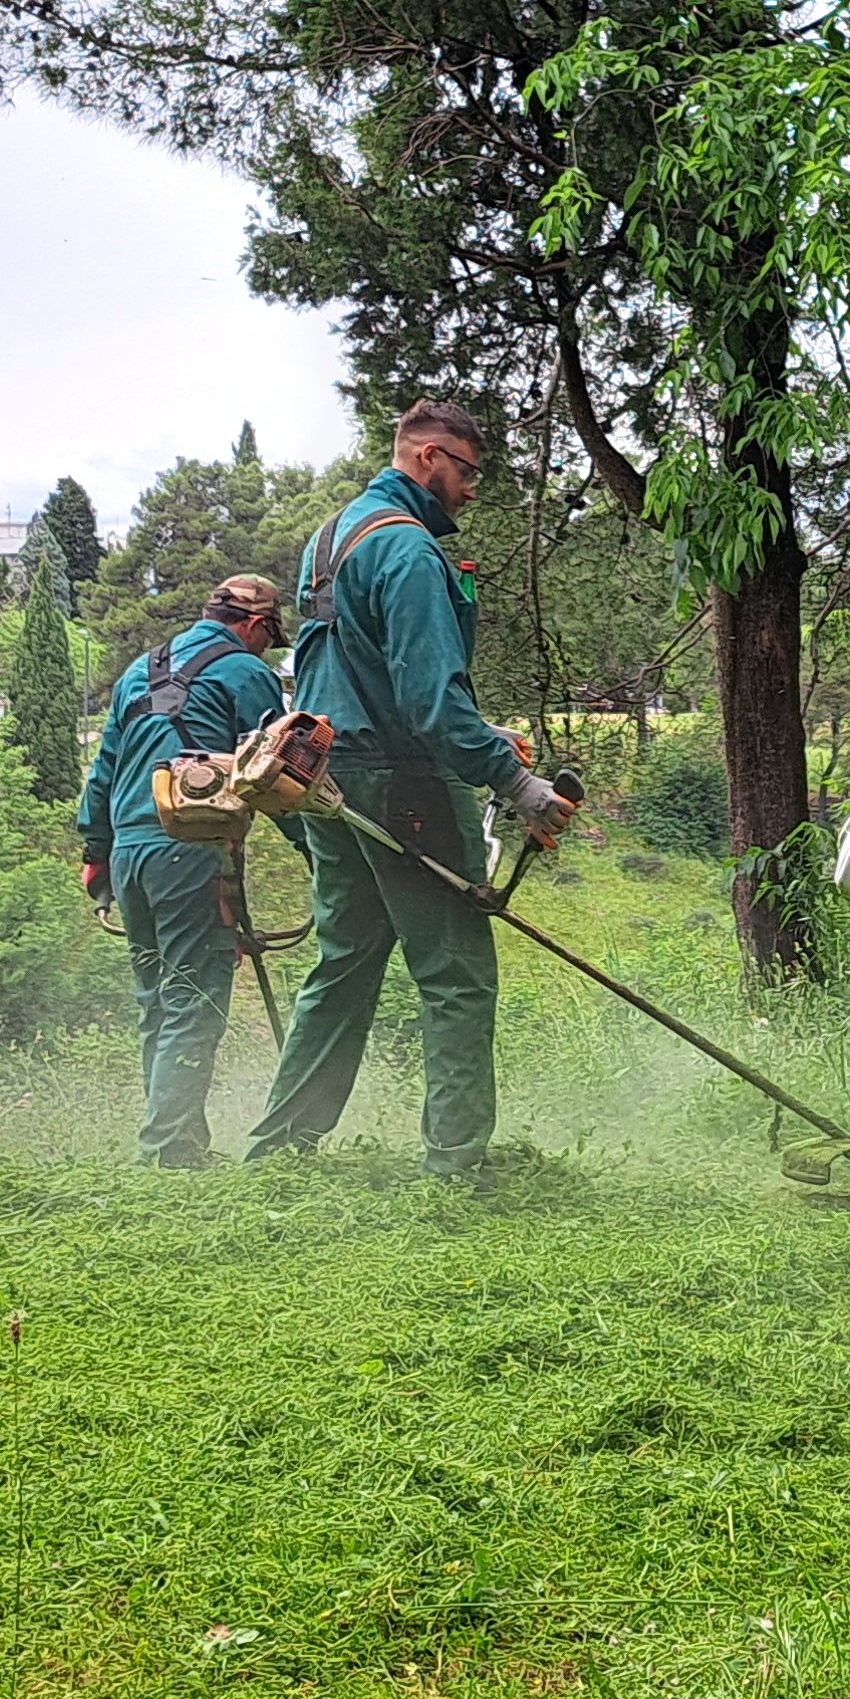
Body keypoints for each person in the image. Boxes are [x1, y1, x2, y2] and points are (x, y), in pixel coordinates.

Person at [243, 398, 574, 1180]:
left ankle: (281, 1150)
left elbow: (365, 670)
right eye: (466, 473)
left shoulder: (330, 541)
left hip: (325, 782)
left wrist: (476, 734)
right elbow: (429, 701)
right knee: (456, 976)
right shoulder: (411, 552)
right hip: (407, 790)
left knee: (344, 965)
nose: (469, 490)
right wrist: (514, 781)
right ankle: (456, 1165)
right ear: (428, 458)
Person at [74, 575, 290, 1168]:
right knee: (193, 1003)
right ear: (254, 625)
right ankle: (170, 1152)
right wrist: (316, 845)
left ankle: (177, 1141)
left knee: (159, 1004)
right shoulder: (246, 673)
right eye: (268, 639)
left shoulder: (138, 671)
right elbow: (277, 772)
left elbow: (104, 771)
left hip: (130, 857)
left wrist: (97, 855)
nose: (265, 650)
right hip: (189, 854)